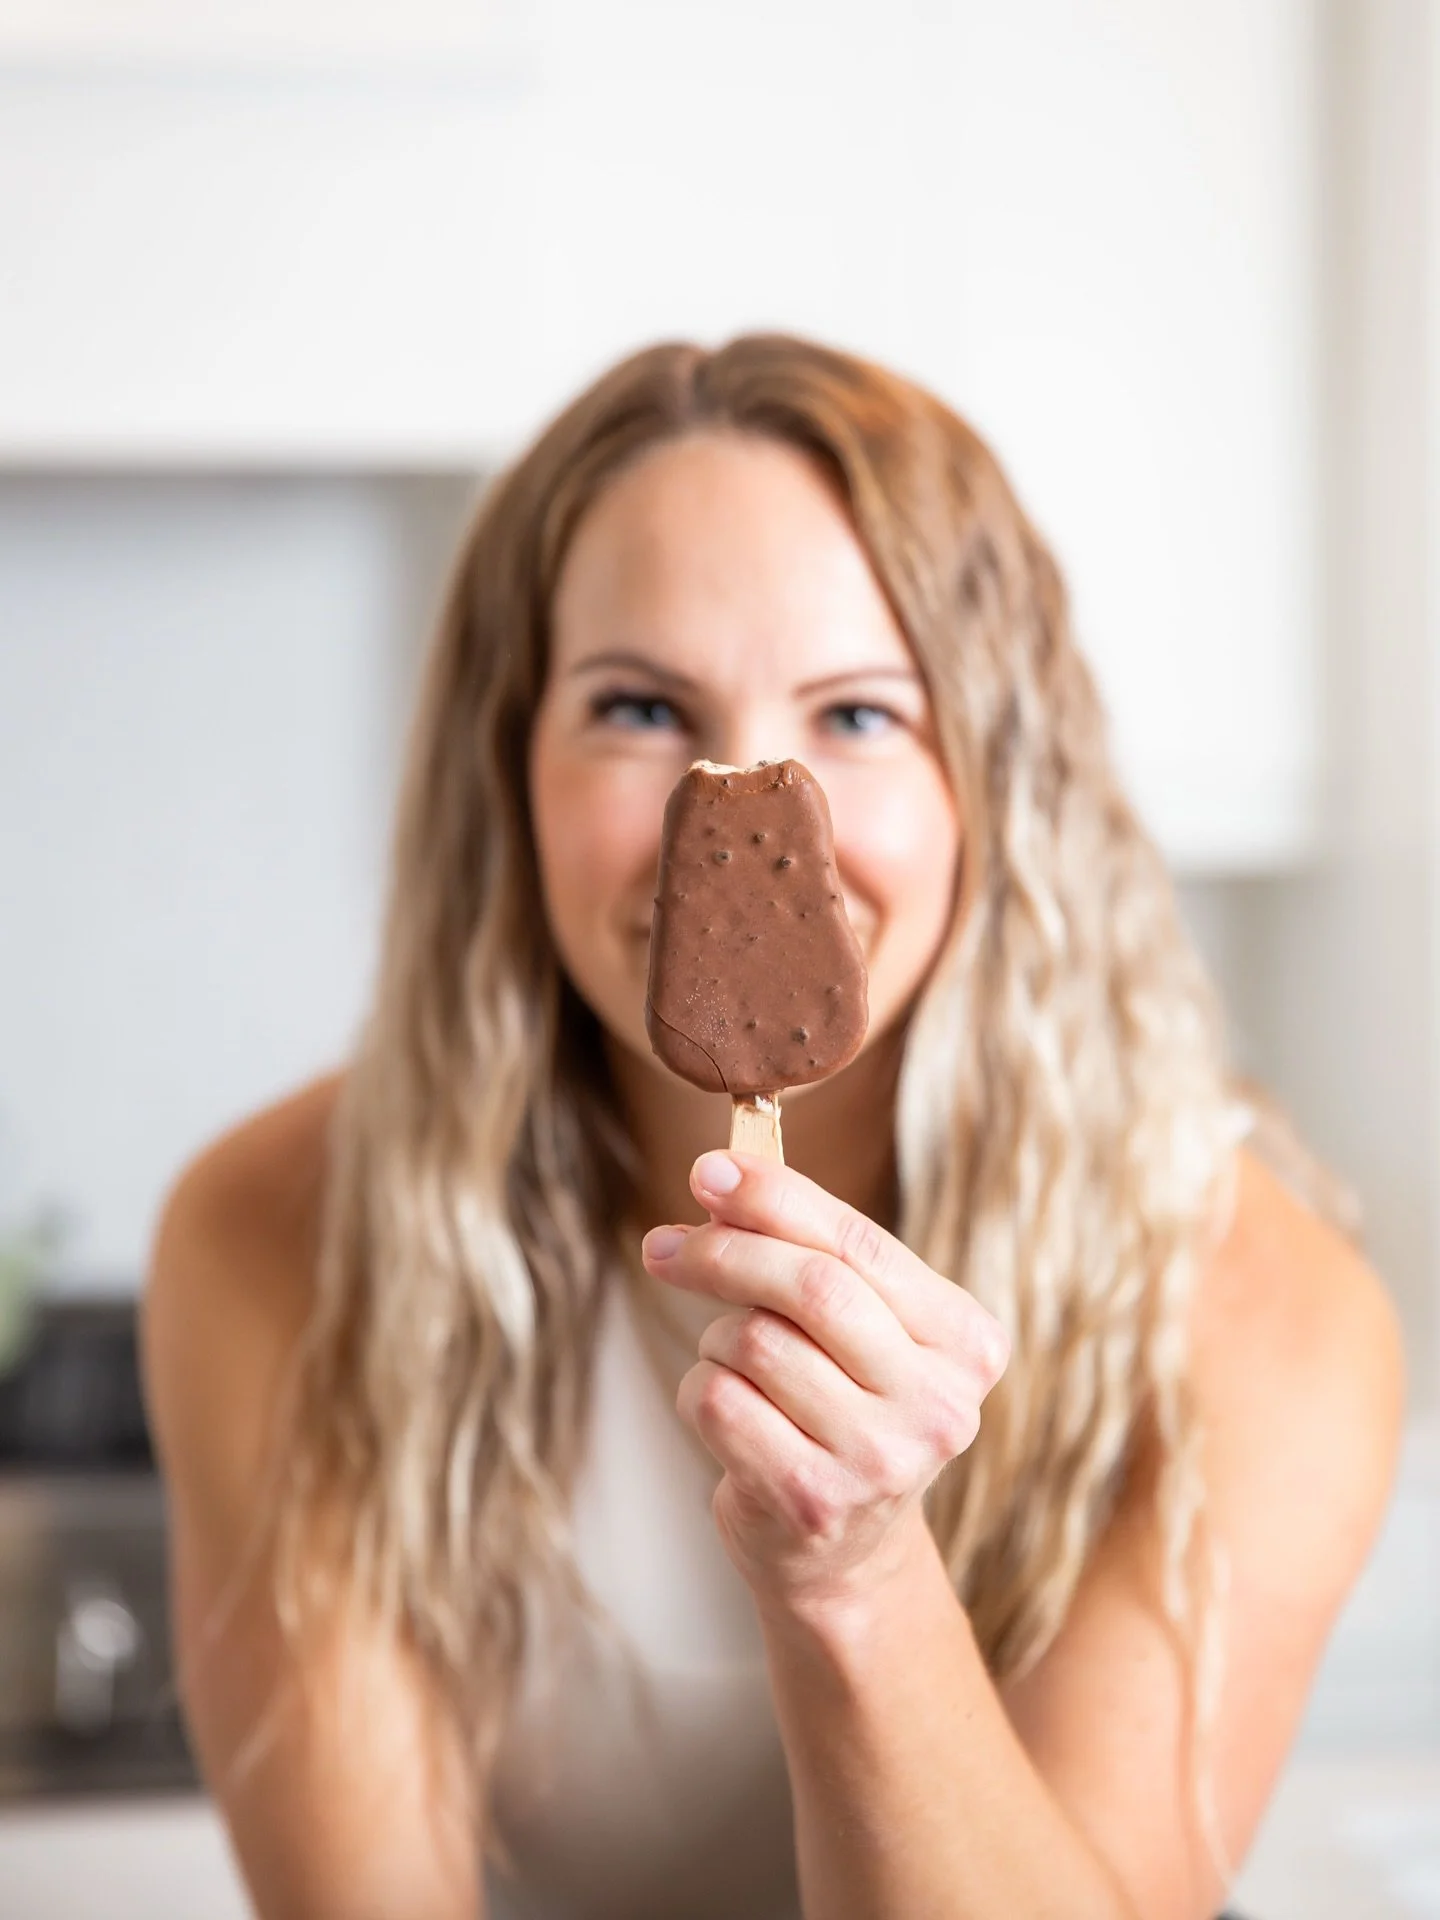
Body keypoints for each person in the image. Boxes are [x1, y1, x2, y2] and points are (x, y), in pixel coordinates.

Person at [141, 335, 1406, 1920]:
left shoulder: (1247, 1304)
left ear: (993, 782)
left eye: (862, 715)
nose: (742, 795)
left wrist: (858, 1579)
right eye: (639, 704)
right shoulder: (281, 1235)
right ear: (505, 770)